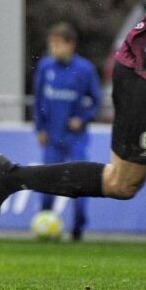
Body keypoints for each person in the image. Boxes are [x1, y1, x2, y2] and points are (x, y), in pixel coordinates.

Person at [0, 0, 146, 229]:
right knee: (121, 182)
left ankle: (9, 178)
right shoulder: (49, 67)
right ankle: (9, 178)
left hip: (141, 72)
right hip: (145, 76)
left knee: (122, 184)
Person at [32, 22, 101, 240]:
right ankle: (44, 226)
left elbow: (96, 100)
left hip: (75, 139)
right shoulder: (45, 67)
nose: (53, 49)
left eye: (57, 44)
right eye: (51, 44)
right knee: (47, 183)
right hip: (52, 137)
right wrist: (40, 128)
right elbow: (39, 100)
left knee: (79, 182)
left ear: (70, 45)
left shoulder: (84, 69)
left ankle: (79, 228)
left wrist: (82, 119)